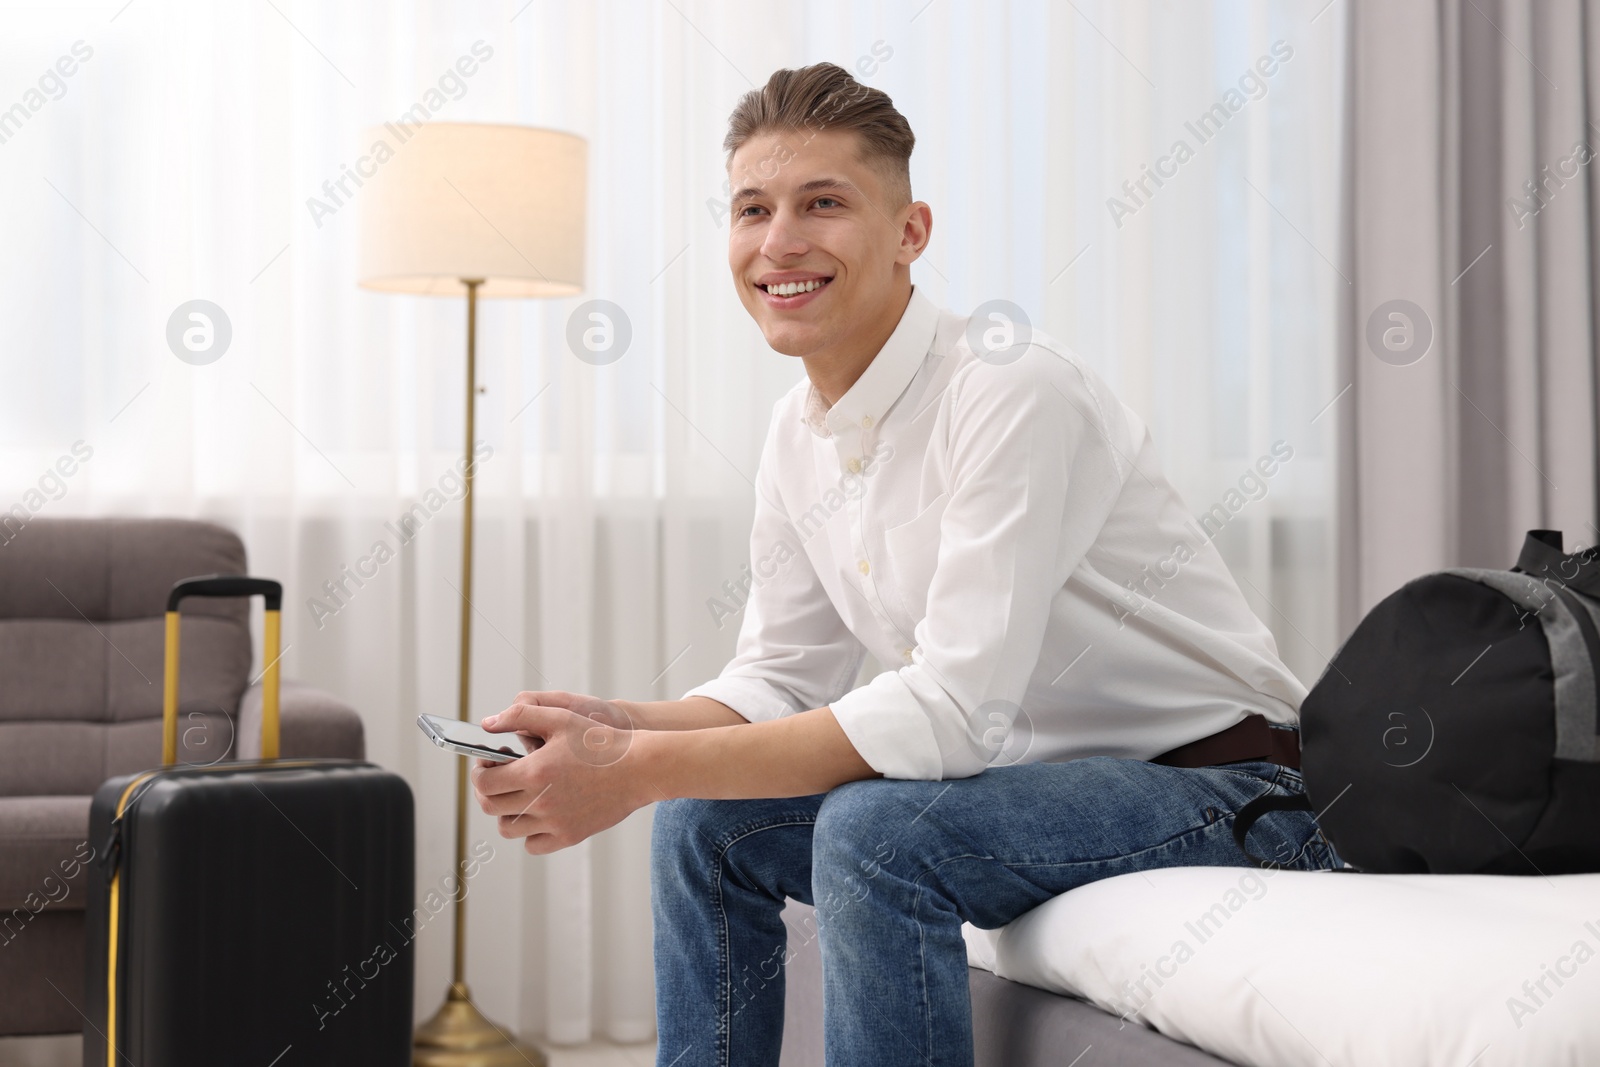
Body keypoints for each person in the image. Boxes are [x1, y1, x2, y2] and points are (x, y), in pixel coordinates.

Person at [472, 61, 1342, 1067]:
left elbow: (952, 712)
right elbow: (779, 676)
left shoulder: (1011, 388)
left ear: (909, 231)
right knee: (702, 821)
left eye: (822, 203)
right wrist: (619, 727)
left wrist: (629, 772)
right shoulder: (794, 431)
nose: (779, 241)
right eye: (751, 209)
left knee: (876, 832)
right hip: (1041, 788)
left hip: (1229, 784)